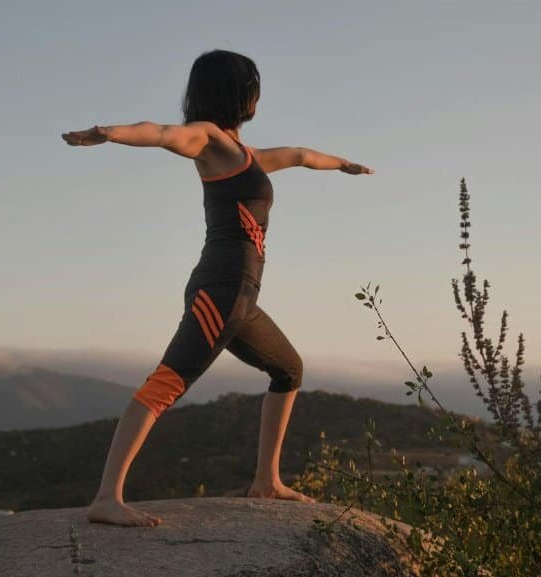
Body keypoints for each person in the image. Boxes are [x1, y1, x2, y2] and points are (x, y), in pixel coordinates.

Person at [62, 49, 372, 527]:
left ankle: (267, 480)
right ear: (238, 92)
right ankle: (107, 497)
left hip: (242, 299)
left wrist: (342, 164)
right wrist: (109, 133)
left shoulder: (246, 155)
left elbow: (299, 156)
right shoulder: (208, 140)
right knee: (165, 385)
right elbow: (163, 133)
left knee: (288, 369)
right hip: (220, 292)